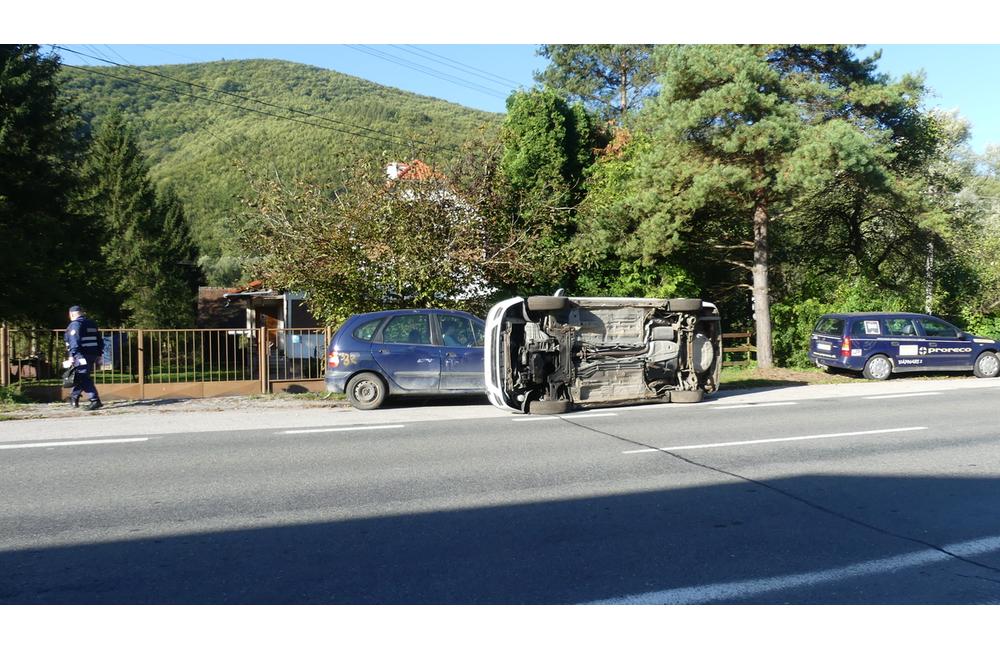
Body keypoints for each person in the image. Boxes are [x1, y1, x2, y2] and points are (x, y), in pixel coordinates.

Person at [64, 305, 104, 410]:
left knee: (83, 377)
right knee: (82, 376)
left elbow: (74, 341)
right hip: (92, 354)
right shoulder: (92, 323)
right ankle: (74, 397)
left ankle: (95, 400)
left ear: (72, 314)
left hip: (81, 355)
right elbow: (99, 340)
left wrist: (72, 355)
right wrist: (99, 354)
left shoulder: (75, 324)